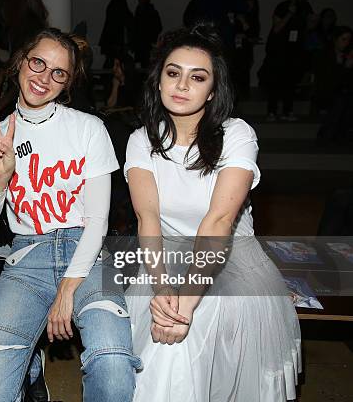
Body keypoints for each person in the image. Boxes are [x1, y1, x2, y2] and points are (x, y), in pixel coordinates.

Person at [124, 23, 301, 401]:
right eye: (173, 73)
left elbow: (218, 220)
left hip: (228, 260)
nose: (183, 85)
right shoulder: (141, 140)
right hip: (161, 259)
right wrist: (162, 287)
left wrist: (182, 306)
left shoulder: (237, 134)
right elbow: (148, 219)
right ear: (159, 82)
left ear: (213, 90)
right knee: (168, 350)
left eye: (197, 77)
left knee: (182, 339)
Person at [0, 27, 141, 402]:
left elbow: (97, 220)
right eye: (38, 63)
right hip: (26, 258)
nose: (43, 78)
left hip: (88, 253)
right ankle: (29, 366)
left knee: (113, 364)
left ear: (67, 83)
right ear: (20, 62)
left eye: (58, 73)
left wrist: (67, 287)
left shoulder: (89, 129)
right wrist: (0, 180)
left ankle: (33, 363)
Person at [259, 0, 313, 121]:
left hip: (295, 52)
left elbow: (308, 27)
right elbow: (276, 28)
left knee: (290, 83)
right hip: (278, 52)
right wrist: (289, 13)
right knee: (275, 82)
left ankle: (287, 111)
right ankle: (271, 111)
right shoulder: (283, 6)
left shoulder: (305, 7)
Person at [99, 0, 133, 68]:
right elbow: (127, 19)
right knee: (115, 62)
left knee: (111, 62)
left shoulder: (113, 4)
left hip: (111, 40)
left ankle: (105, 77)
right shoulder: (120, 4)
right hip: (115, 41)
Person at [131, 0, 162, 68]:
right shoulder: (151, 12)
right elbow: (158, 27)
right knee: (146, 64)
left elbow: (136, 28)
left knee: (143, 64)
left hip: (142, 44)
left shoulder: (140, 12)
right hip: (146, 44)